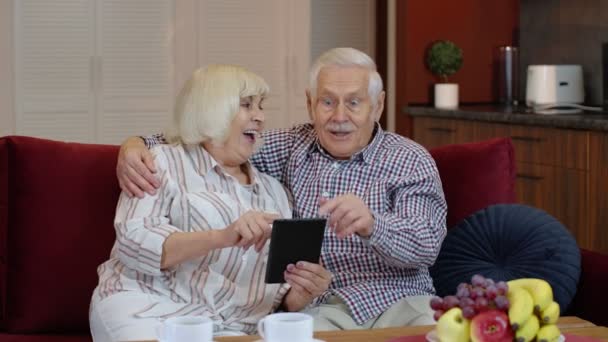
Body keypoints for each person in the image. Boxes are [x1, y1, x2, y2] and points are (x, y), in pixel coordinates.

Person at [117, 47, 447, 330]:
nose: (339, 116)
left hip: (402, 301)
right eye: (327, 102)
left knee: (444, 332)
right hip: (324, 306)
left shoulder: (409, 159)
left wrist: (373, 224)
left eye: (354, 103)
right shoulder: (290, 146)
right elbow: (204, 136)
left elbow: (427, 245)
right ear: (310, 104)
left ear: (377, 106)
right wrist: (133, 146)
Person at [90, 64, 332, 342]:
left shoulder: (274, 193)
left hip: (232, 326)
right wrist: (222, 236)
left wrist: (297, 295)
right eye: (247, 105)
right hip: (147, 307)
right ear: (212, 109)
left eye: (261, 106)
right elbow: (135, 244)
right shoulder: (163, 162)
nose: (260, 116)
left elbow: (272, 291)